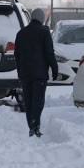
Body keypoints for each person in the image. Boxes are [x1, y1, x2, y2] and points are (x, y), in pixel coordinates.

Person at [14, 8, 58, 137]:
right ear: (42, 19)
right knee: (38, 101)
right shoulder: (44, 33)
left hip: (25, 74)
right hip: (40, 75)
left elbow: (17, 55)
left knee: (29, 101)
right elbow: (49, 53)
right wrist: (55, 69)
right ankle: (35, 127)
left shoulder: (21, 33)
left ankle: (31, 126)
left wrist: (20, 71)